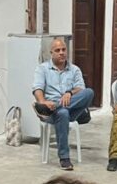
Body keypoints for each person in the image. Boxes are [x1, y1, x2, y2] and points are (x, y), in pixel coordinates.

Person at [32, 37, 94, 171]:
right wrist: (42, 102)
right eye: (58, 50)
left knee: (89, 92)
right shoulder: (42, 69)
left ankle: (55, 107)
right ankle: (64, 158)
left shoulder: (74, 69)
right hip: (51, 110)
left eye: (64, 49)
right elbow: (37, 88)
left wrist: (70, 93)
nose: (61, 53)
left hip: (71, 108)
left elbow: (80, 88)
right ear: (51, 53)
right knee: (63, 113)